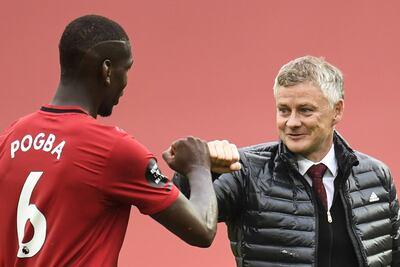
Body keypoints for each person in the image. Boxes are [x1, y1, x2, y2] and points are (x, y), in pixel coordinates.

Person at [0, 15, 240, 266]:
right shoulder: (112, 149)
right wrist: (198, 166)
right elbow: (202, 230)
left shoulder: (9, 138)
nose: (125, 84)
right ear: (106, 70)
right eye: (126, 69)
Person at [175, 56, 400, 266]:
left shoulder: (376, 176)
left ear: (337, 110)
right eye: (284, 110)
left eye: (305, 110)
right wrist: (198, 170)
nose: (292, 122)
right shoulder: (243, 171)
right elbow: (184, 218)